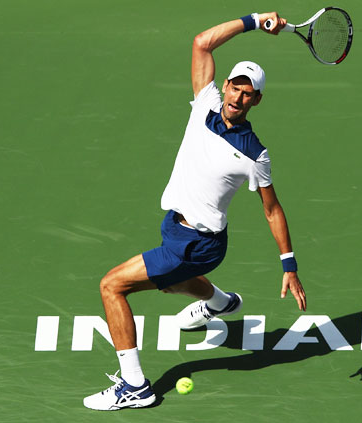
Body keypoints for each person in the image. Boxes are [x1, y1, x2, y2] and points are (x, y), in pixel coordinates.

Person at [83, 11, 307, 411]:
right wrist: (255, 20)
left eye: (248, 92)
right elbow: (202, 42)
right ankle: (221, 303)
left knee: (112, 286)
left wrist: (288, 265)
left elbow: (272, 210)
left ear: (257, 100)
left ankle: (135, 386)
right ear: (225, 85)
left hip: (197, 245)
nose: (238, 96)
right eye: (235, 86)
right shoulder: (205, 103)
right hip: (178, 229)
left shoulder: (254, 154)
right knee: (171, 284)